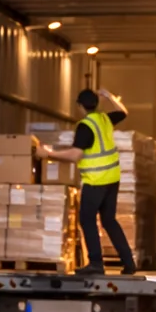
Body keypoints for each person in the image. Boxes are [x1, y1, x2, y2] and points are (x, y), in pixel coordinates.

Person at [38, 88, 136, 276]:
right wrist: (110, 97)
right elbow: (124, 111)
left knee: (87, 219)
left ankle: (96, 263)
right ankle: (129, 262)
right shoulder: (105, 119)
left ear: (79, 106)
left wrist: (48, 154)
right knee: (109, 220)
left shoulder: (85, 126)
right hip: (112, 178)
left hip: (96, 180)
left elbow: (75, 155)